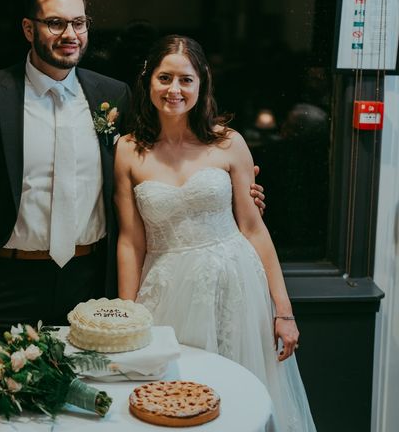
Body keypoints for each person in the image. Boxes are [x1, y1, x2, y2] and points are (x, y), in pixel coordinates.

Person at [0, 0, 265, 347]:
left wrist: (231, 194)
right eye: (55, 23)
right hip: (3, 281)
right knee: (2, 399)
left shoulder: (112, 94)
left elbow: (154, 165)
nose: (69, 33)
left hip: (90, 283)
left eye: (79, 23)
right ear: (28, 28)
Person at [115, 35, 315, 431]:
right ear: (148, 81)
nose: (174, 89)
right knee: (171, 402)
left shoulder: (229, 143)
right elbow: (130, 241)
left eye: (185, 80)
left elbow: (254, 229)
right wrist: (128, 316)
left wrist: (284, 311)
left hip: (235, 286)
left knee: (238, 402)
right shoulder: (128, 149)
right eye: (165, 78)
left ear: (202, 82)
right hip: (167, 291)